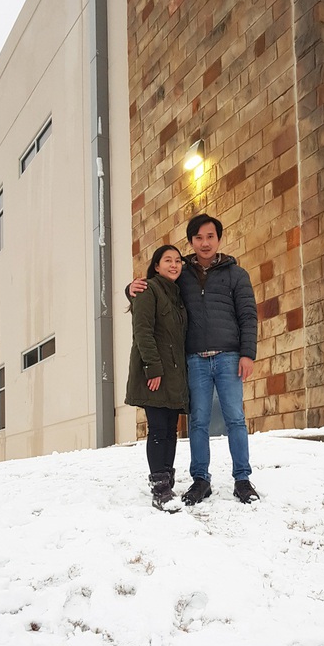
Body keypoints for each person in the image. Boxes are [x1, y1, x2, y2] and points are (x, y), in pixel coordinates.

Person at [129, 214, 259, 505]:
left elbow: (248, 315)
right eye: (198, 238)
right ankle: (201, 479)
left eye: (210, 236)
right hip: (195, 360)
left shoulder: (236, 274)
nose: (205, 243)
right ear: (191, 241)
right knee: (197, 421)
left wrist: (248, 353)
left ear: (219, 239)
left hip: (229, 357)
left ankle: (242, 479)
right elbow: (155, 292)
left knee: (235, 419)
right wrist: (131, 290)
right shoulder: (182, 273)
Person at [125, 245, 189, 510]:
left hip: (174, 375)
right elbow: (142, 331)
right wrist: (153, 368)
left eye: (178, 261)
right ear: (157, 266)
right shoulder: (148, 289)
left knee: (171, 431)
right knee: (158, 430)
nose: (174, 265)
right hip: (156, 373)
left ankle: (167, 481)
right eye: (168, 260)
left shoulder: (177, 295)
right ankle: (159, 487)